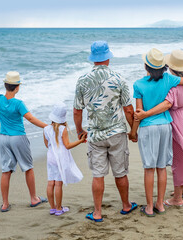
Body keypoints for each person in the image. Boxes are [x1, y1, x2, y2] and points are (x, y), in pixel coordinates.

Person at [73, 41, 138, 222]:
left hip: (95, 135)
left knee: (98, 174)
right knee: (120, 172)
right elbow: (128, 109)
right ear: (108, 57)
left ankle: (97, 213)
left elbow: (77, 110)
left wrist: (80, 130)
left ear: (93, 59)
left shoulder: (82, 80)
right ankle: (126, 205)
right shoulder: (119, 78)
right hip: (117, 133)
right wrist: (133, 131)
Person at [0, 60, 48, 212]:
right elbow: (31, 119)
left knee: (6, 170)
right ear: (17, 87)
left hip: (3, 138)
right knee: (28, 168)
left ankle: (5, 204)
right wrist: (48, 126)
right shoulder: (19, 104)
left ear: (5, 85)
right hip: (18, 137)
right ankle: (34, 199)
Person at [134, 49, 183, 207]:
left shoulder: (173, 84)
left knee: (178, 160)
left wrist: (145, 114)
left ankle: (177, 198)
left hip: (178, 120)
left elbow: (167, 104)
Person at [43, 103, 86, 216]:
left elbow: (47, 144)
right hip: (60, 158)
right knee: (58, 184)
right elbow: (67, 146)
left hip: (50, 157)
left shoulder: (46, 129)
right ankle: (58, 208)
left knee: (50, 183)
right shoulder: (63, 129)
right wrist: (80, 141)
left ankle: (52, 208)